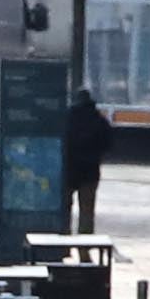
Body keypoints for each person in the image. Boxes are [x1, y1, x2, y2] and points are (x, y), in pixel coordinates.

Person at [56, 84, 112, 233]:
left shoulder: (66, 118)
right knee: (87, 212)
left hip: (68, 171)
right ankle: (84, 249)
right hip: (90, 173)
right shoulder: (100, 120)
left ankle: (62, 242)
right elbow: (107, 145)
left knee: (64, 208)